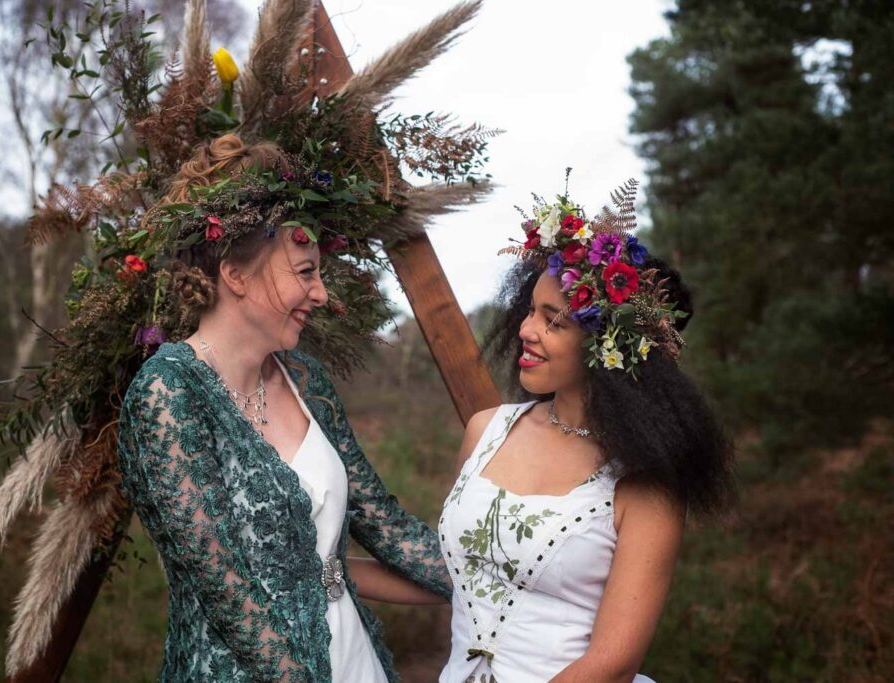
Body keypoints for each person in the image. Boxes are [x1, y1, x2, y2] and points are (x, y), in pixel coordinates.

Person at [117, 135, 451, 683]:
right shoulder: (168, 396)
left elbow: (384, 525)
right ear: (235, 273)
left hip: (352, 661)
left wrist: (499, 580)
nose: (320, 293)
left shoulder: (305, 381)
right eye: (304, 272)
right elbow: (228, 595)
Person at [434, 184, 735, 682]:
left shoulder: (645, 484)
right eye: (531, 310)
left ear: (605, 347)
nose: (527, 330)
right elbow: (457, 566)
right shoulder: (486, 431)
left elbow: (612, 665)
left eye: (554, 322)